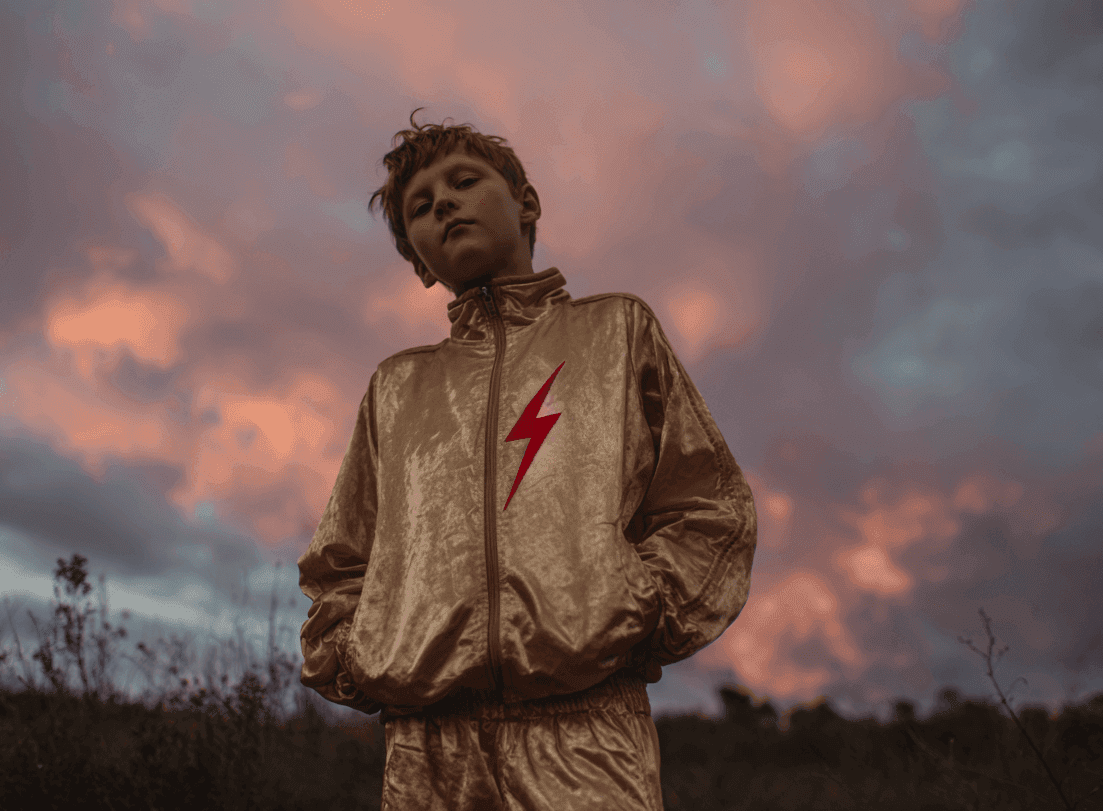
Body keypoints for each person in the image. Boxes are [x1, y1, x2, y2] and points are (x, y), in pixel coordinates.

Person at [298, 108, 758, 811]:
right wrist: (360, 657)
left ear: (527, 204)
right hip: (428, 748)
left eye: (464, 182)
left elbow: (706, 506)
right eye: (420, 206)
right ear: (418, 263)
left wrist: (637, 610)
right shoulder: (397, 387)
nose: (443, 204)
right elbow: (341, 561)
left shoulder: (615, 331)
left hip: (587, 731)